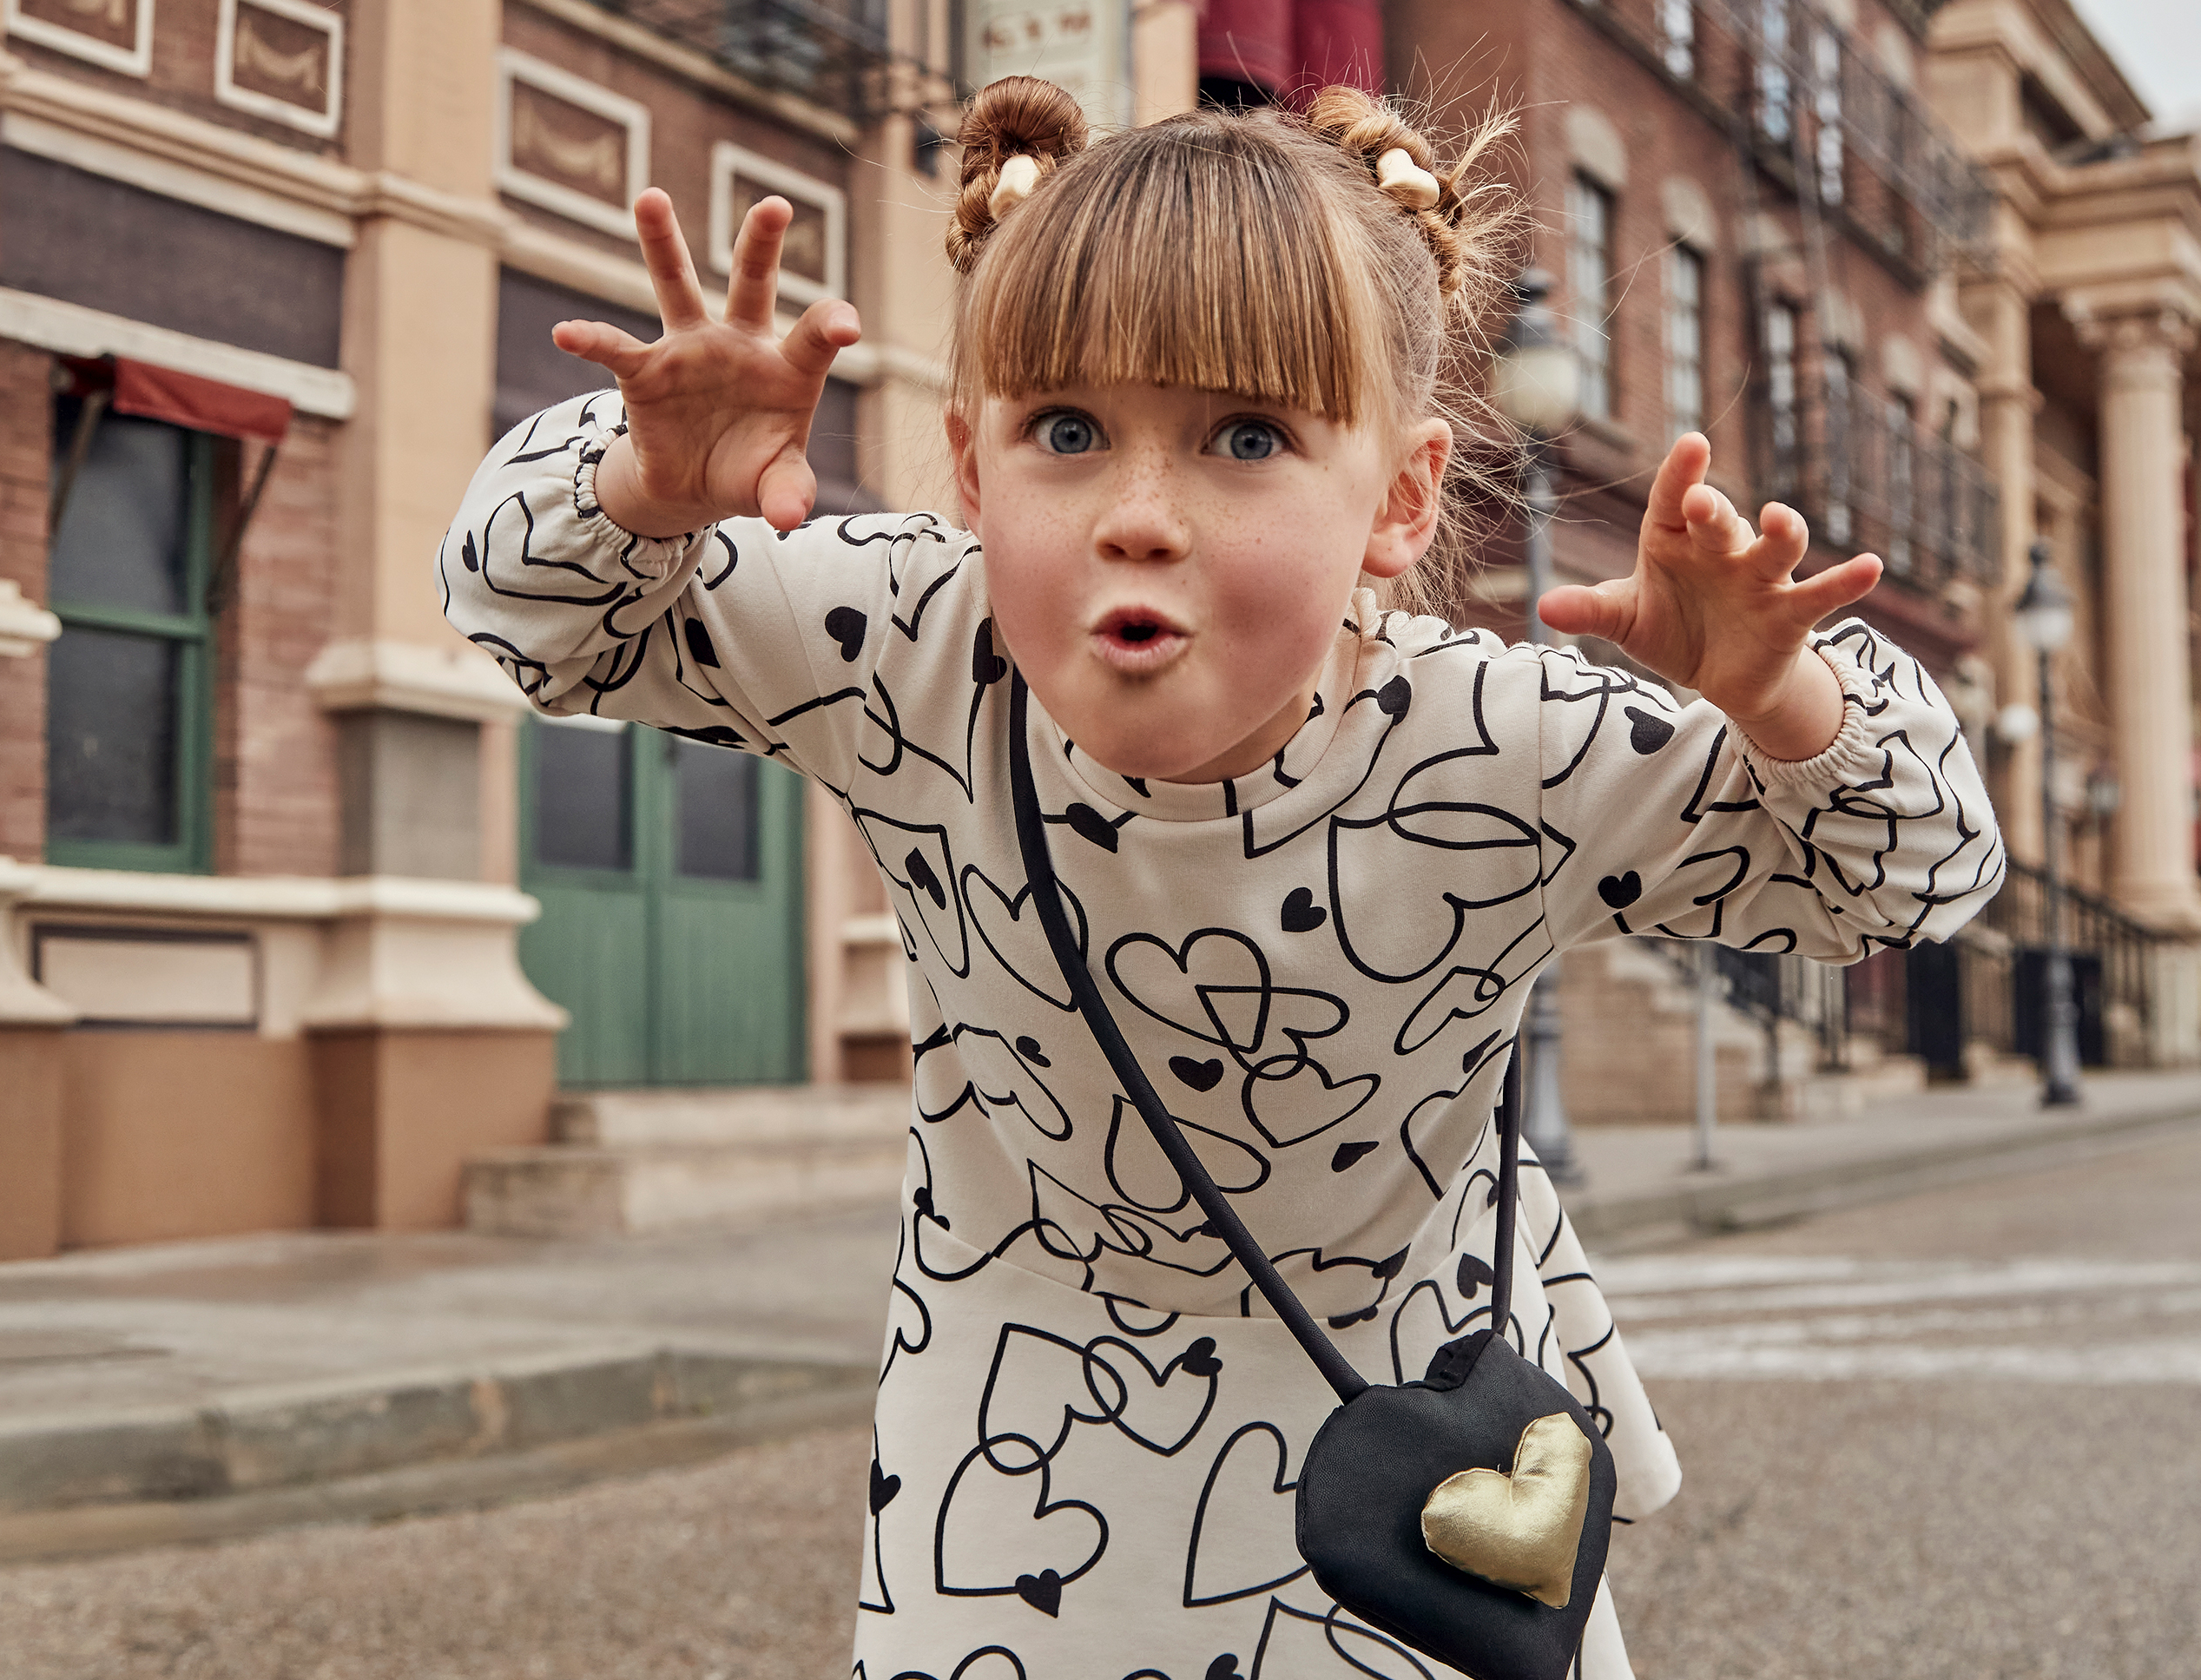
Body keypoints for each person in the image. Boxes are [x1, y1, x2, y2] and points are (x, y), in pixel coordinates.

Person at [442, 76, 2002, 1680]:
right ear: (972, 471)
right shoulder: (912, 645)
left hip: (1412, 1436)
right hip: (1023, 1428)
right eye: (1065, 432)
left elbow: (1912, 874)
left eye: (1246, 437)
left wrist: (1784, 696)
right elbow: (531, 615)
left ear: (1400, 498)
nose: (1139, 517)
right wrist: (643, 490)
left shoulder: (1498, 742)